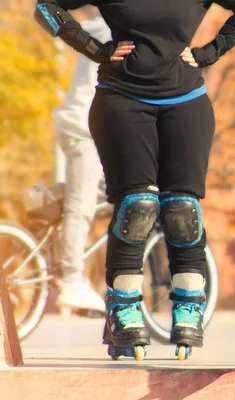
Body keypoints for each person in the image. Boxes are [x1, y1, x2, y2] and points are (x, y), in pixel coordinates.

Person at [35, 0, 235, 360]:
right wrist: (96, 50)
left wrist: (210, 52)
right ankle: (123, 309)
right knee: (138, 207)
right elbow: (46, 8)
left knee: (183, 209)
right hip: (121, 101)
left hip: (187, 102)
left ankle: (188, 306)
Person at [51, 6, 109, 316]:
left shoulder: (104, 25)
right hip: (83, 127)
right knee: (82, 204)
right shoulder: (114, 29)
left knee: (98, 192)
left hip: (85, 124)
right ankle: (72, 279)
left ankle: (50, 207)